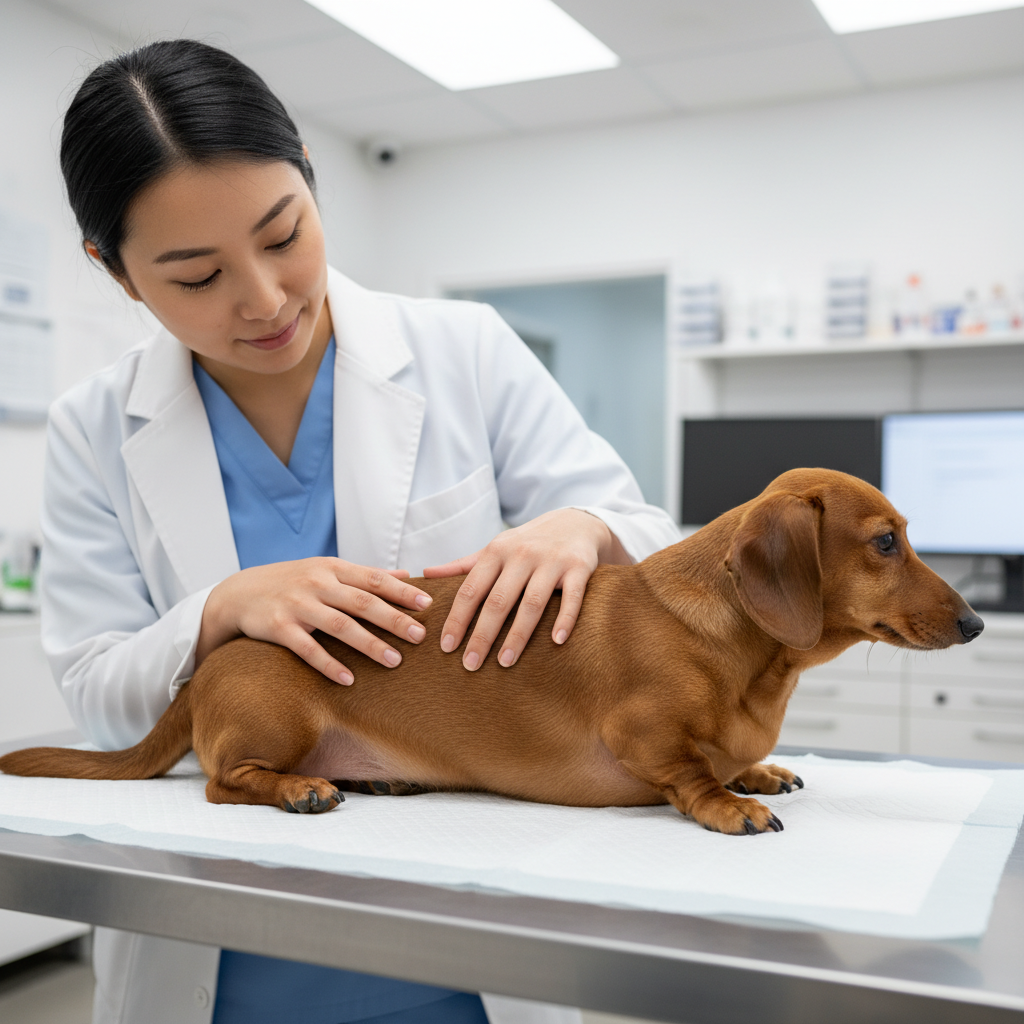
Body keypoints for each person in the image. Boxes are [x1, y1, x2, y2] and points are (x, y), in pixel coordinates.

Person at [46, 39, 681, 1024]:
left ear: (307, 173)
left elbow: (642, 530)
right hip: (218, 965)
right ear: (118, 274)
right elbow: (101, 707)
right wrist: (219, 610)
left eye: (282, 233)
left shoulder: (462, 350)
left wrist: (581, 528)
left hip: (469, 959)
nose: (263, 299)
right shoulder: (94, 428)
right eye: (196, 275)